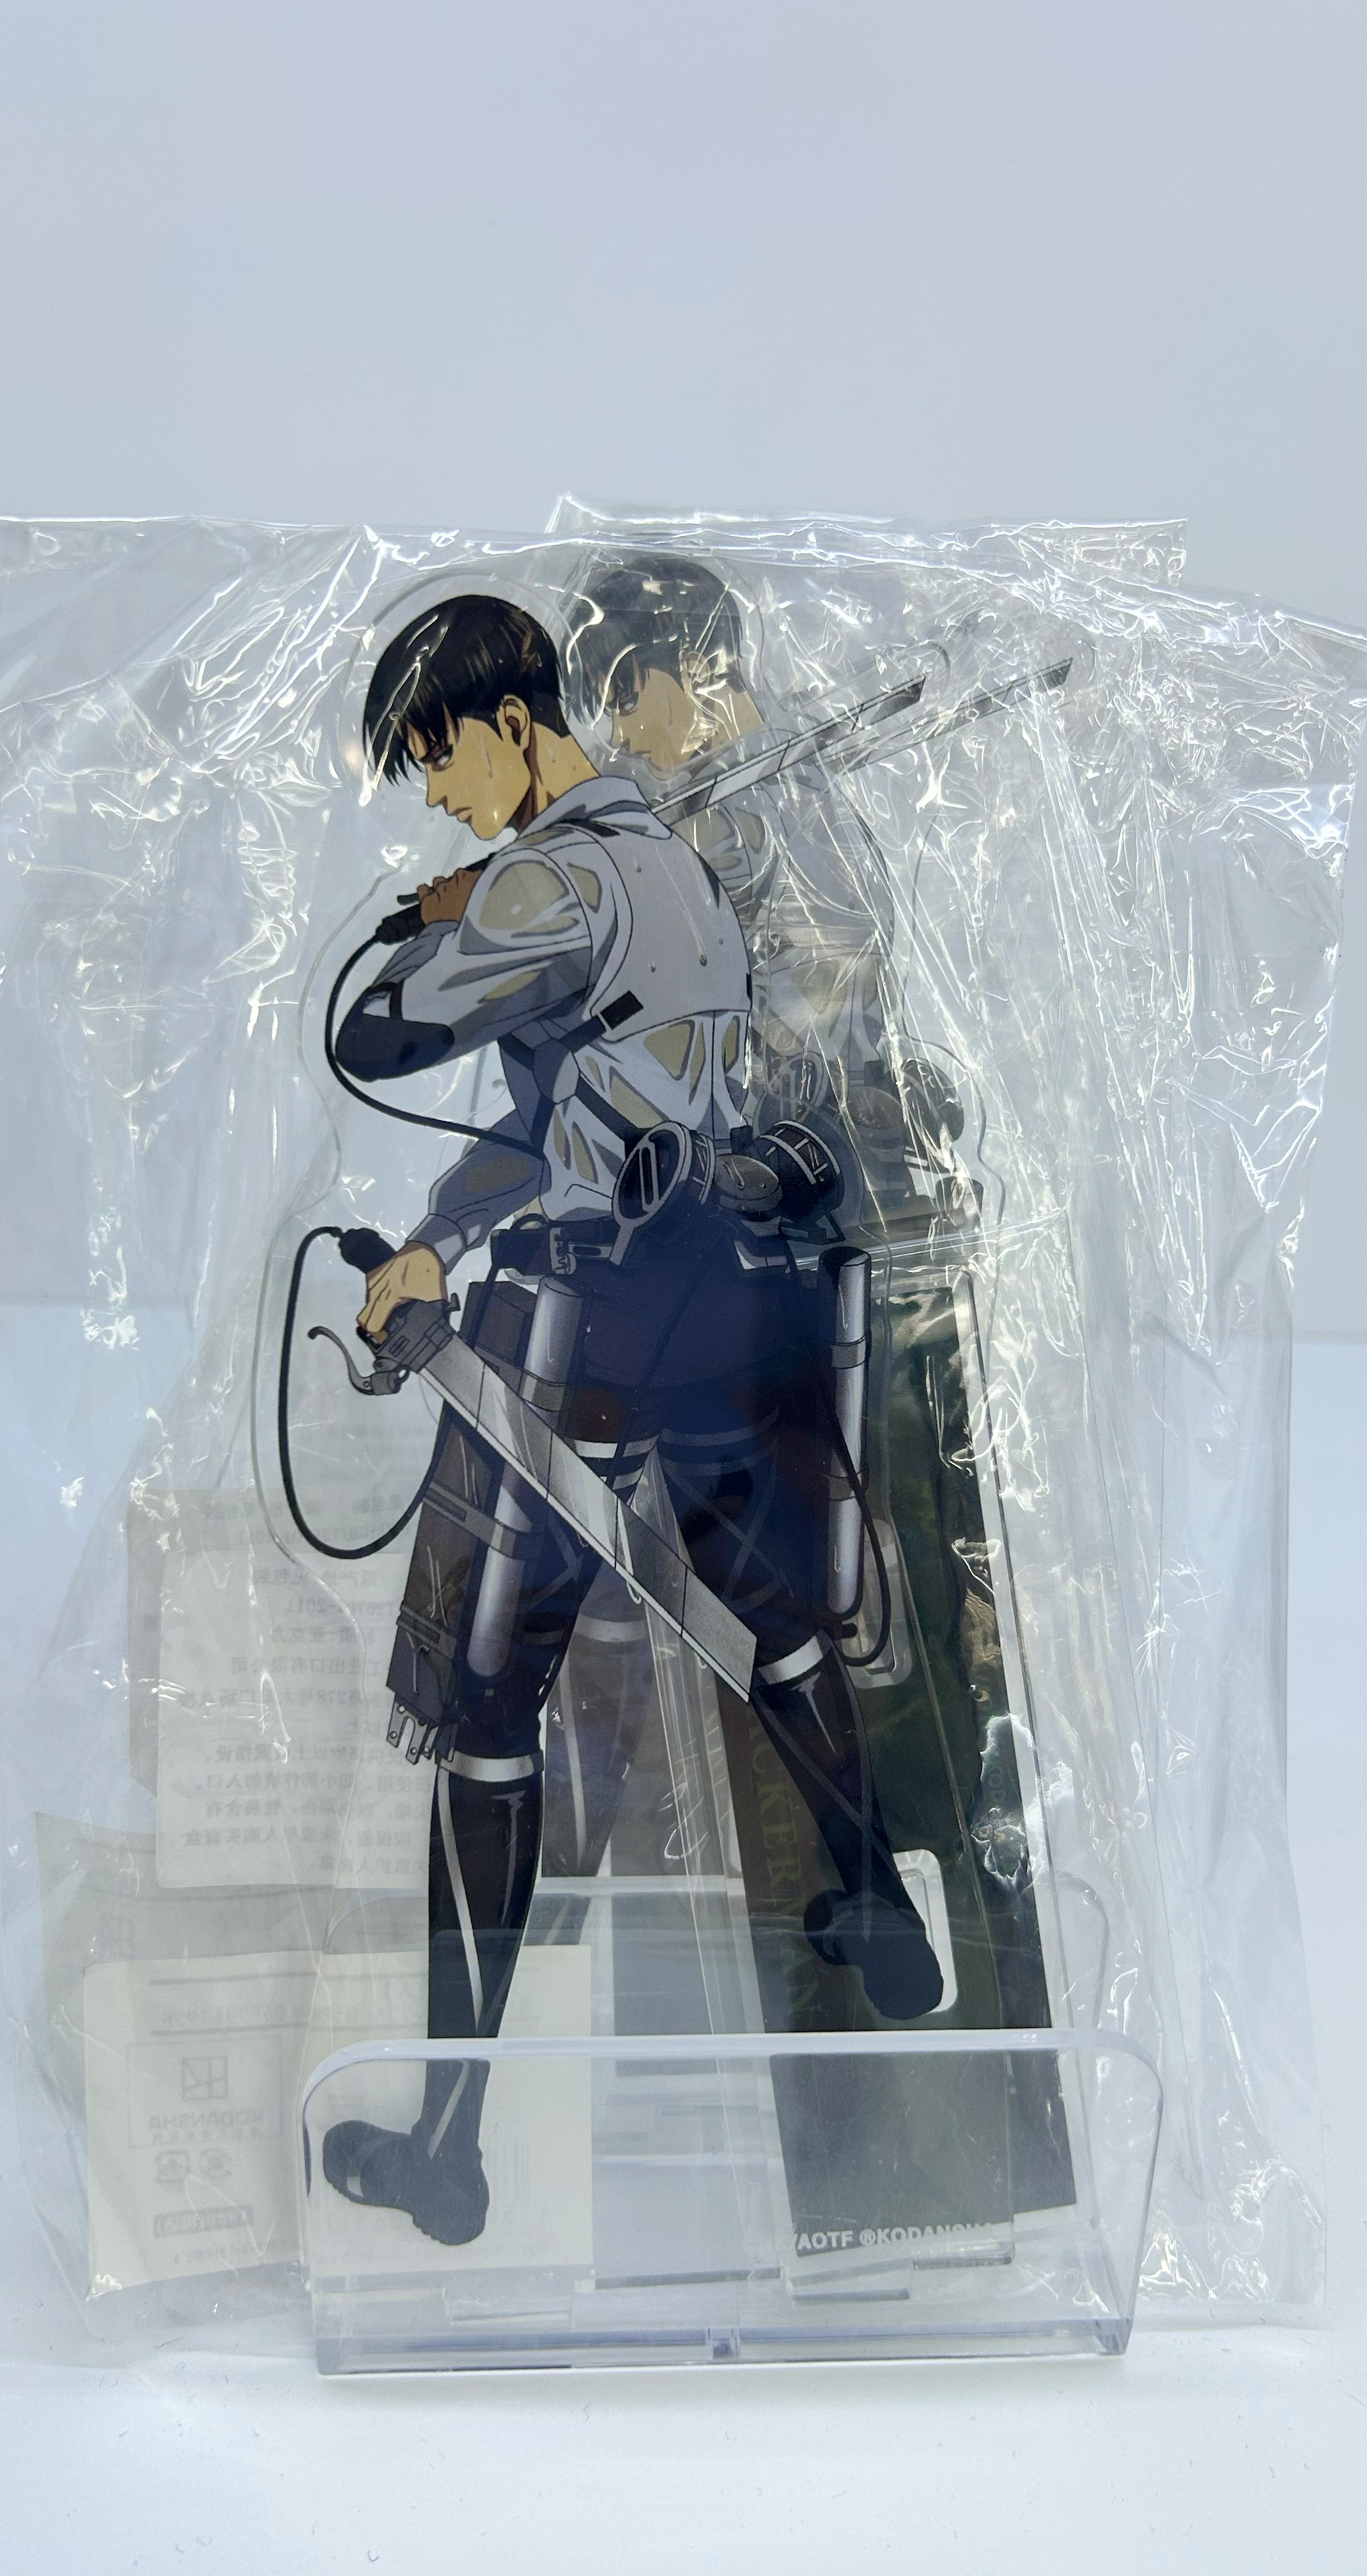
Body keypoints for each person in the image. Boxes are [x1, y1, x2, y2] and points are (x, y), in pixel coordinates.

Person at [318, 592, 941, 2246]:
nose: (433, 794)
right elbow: (566, 1117)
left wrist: (442, 913)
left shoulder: (552, 880)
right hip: (726, 1300)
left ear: (514, 725)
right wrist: (435, 1239)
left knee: (485, 1708)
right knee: (775, 1629)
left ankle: (450, 2151)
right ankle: (884, 1912)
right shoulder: (669, 867)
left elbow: (376, 1032)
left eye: (438, 757)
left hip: (599, 1317)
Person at [560, 553, 972, 1228]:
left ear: (697, 665)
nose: (622, 735)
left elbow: (842, 951)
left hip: (813, 1145)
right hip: (791, 1137)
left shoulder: (769, 804)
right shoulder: (759, 794)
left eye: (626, 701)